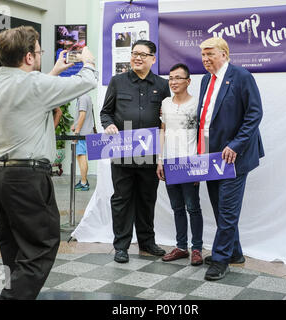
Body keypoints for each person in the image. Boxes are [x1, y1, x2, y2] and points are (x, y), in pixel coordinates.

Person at [0, 26, 97, 300]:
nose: (40, 56)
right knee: (41, 246)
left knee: (12, 249)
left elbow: (26, 94)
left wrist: (54, 72)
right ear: (29, 57)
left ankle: (12, 291)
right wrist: (88, 61)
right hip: (28, 178)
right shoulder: (34, 85)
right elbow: (86, 82)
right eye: (38, 52)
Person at [197, 37, 264, 281]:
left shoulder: (241, 76)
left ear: (224, 54)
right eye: (203, 55)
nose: (205, 59)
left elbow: (254, 113)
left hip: (235, 157)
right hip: (211, 157)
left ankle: (221, 259)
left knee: (227, 209)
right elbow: (206, 119)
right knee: (219, 208)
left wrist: (235, 145)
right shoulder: (206, 80)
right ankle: (234, 252)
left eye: (210, 54)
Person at [101, 40, 170, 263]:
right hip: (122, 152)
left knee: (147, 199)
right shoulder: (118, 81)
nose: (137, 58)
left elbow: (166, 120)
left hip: (149, 155)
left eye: (143, 54)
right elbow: (106, 112)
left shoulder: (162, 84)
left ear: (153, 59)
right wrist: (108, 125)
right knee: (121, 200)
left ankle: (147, 242)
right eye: (134, 53)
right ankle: (121, 246)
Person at [156, 63, 203, 266]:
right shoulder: (165, 102)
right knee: (177, 207)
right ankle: (181, 247)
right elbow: (163, 130)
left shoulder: (197, 104)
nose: (173, 82)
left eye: (178, 78)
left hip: (190, 163)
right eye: (171, 78)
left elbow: (203, 135)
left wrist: (200, 164)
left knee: (193, 207)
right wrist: (160, 160)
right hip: (169, 162)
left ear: (188, 81)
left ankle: (197, 249)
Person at [72, 93, 95, 191]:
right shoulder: (86, 97)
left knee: (81, 156)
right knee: (81, 156)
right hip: (85, 132)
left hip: (82, 133)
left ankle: (84, 183)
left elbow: (82, 115)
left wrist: (77, 132)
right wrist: (75, 125)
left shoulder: (82, 98)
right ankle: (83, 181)